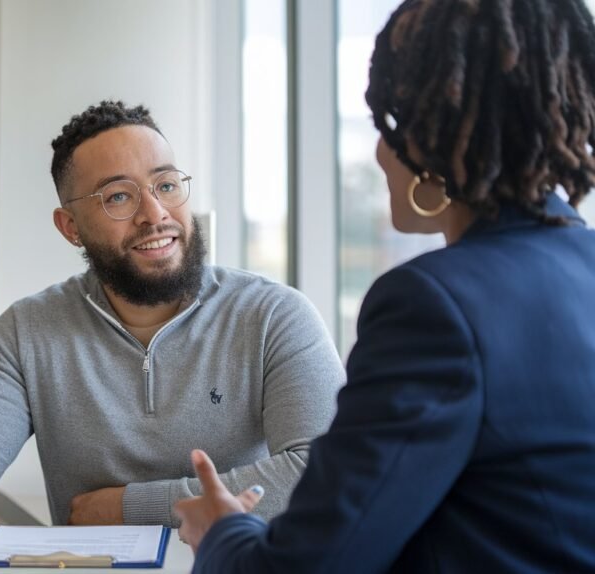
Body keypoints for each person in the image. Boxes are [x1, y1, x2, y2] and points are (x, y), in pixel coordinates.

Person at [175, 0, 595, 571]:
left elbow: (312, 566)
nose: (379, 152)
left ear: (429, 137)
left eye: (390, 124)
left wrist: (222, 532)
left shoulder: (435, 306)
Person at [0, 100, 346, 559]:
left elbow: (324, 472)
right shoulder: (27, 332)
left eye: (167, 185)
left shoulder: (274, 316)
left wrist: (128, 508)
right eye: (119, 196)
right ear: (70, 226)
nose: (155, 213)